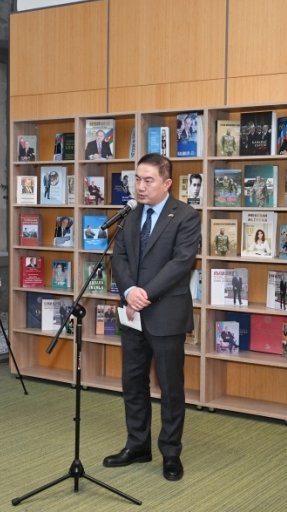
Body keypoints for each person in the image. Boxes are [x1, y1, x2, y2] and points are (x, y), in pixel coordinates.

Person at [104, 153, 200, 482]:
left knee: (170, 387)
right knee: (133, 382)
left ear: (167, 183)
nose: (140, 187)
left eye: (148, 180)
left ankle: (171, 452)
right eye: (137, 179)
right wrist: (130, 290)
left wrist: (143, 294)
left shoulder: (185, 216)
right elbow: (119, 257)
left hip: (165, 312)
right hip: (133, 313)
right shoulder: (130, 214)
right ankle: (137, 445)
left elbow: (181, 263)